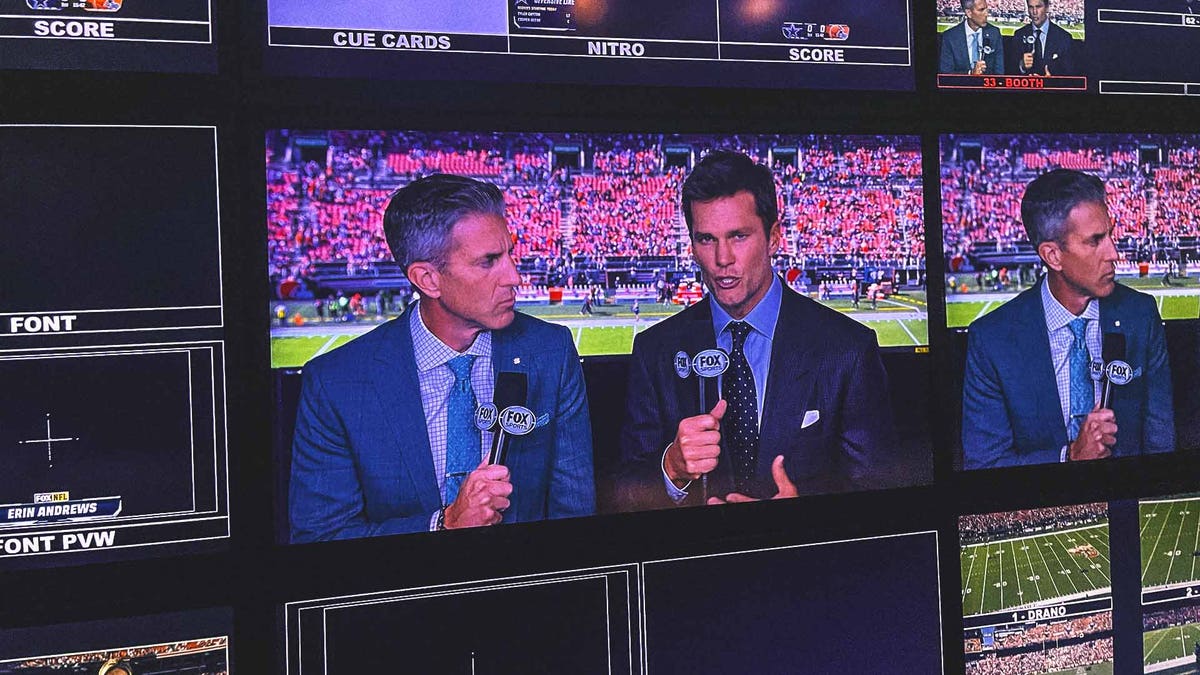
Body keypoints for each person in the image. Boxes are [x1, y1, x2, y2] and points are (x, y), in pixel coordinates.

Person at [289, 174, 594, 541]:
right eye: (488, 261)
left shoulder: (551, 351)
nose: (515, 276)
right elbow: (320, 539)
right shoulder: (336, 383)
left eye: (510, 254)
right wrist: (444, 524)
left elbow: (574, 515)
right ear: (428, 279)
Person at [617, 151, 896, 510]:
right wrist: (672, 468)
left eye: (738, 236)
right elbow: (621, 498)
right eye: (706, 239)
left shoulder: (847, 349)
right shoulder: (655, 351)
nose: (722, 259)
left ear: (774, 237)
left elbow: (883, 500)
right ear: (691, 245)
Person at [962, 169, 1174, 469]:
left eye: (1110, 235)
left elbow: (1160, 441)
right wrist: (1070, 457)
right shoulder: (992, 339)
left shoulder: (1140, 314)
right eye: (1095, 240)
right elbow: (985, 466)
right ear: (1053, 255)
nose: (1114, 253)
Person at [1009, 0, 1076, 76]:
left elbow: (1070, 73)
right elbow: (1010, 71)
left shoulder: (1064, 37)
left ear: (1047, 8)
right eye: (1031, 7)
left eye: (1038, 7)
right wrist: (1021, 66)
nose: (1034, 12)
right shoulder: (1019, 35)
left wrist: (1053, 79)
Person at [938, 0, 1005, 76]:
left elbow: (999, 73)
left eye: (986, 9)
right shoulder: (950, 37)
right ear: (969, 13)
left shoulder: (994, 33)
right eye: (981, 10)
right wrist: (970, 74)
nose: (986, 14)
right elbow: (946, 74)